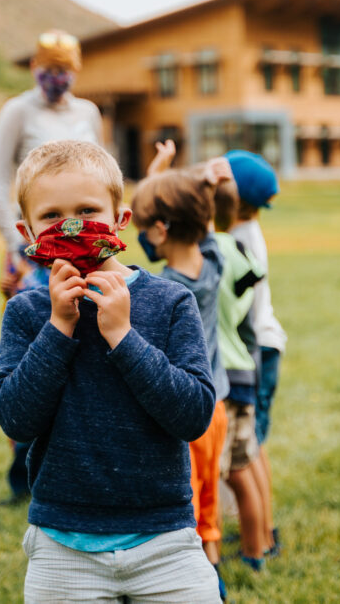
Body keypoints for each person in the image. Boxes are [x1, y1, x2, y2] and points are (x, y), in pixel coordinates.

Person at [0, 139, 220, 602]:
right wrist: (58, 328)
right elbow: (15, 420)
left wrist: (123, 336)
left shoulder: (172, 301)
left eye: (88, 210)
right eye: (52, 216)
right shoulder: (26, 313)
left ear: (121, 219)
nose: (71, 225)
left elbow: (194, 416)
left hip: (165, 538)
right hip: (63, 542)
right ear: (27, 231)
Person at [0, 29, 102, 504]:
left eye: (64, 71)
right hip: (36, 250)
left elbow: (105, 175)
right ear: (35, 70)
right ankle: (25, 469)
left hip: (90, 251)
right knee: (37, 346)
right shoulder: (18, 111)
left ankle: (82, 460)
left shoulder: (87, 113)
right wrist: (18, 244)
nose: (55, 80)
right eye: (47, 71)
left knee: (90, 346)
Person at [132, 166, 231, 599]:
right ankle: (213, 561)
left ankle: (192, 575)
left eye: (141, 226)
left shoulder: (164, 289)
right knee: (208, 488)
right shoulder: (214, 261)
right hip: (218, 406)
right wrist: (199, 189)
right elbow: (202, 226)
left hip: (184, 413)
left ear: (158, 230)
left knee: (183, 499)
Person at [225, 149, 283, 556]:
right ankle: (263, 529)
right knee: (255, 445)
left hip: (254, 348)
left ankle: (263, 536)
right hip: (263, 344)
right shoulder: (247, 231)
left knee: (251, 447)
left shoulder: (236, 239)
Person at [212, 178, 269, 571]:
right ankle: (255, 552)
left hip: (222, 377)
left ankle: (211, 558)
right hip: (245, 369)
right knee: (241, 469)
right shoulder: (239, 248)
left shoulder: (207, 252)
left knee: (217, 474)